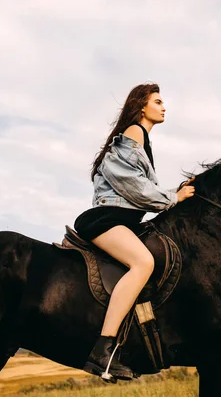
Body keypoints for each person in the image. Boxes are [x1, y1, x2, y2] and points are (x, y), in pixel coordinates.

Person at [74, 82, 195, 382]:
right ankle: (102, 349)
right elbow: (136, 188)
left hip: (119, 219)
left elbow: (143, 189)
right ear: (141, 106)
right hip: (107, 219)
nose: (164, 106)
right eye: (158, 101)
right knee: (143, 262)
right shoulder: (134, 133)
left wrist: (173, 193)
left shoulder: (141, 139)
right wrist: (173, 198)